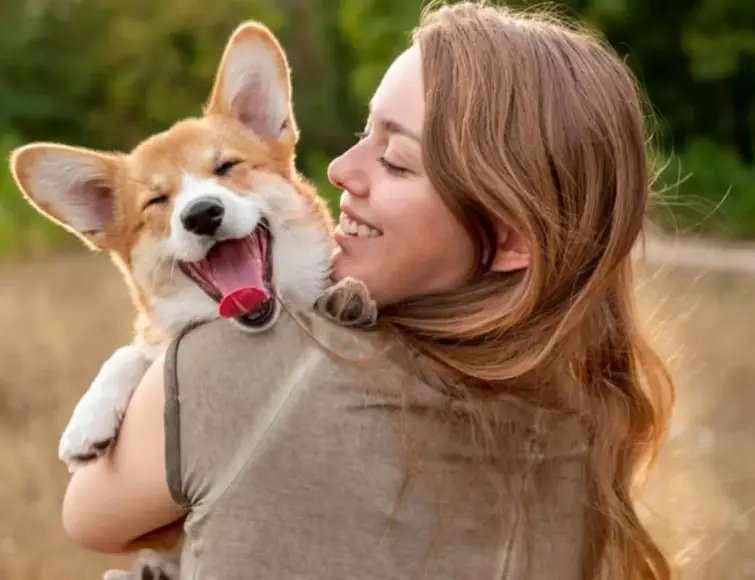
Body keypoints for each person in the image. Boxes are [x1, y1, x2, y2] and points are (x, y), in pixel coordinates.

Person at [61, 2, 675, 578]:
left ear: (511, 237)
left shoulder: (239, 368)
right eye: (364, 133)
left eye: (397, 160)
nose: (337, 171)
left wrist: (148, 366)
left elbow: (89, 518)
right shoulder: (584, 431)